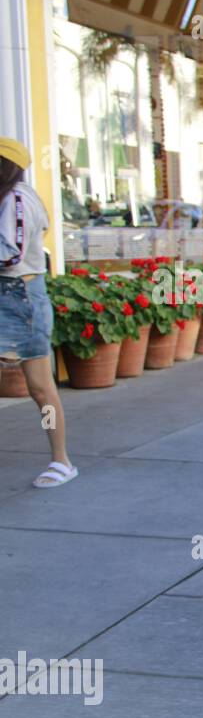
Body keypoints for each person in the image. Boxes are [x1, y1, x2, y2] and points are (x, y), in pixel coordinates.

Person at [0, 137, 76, 488]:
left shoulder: (17, 201)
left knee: (40, 388)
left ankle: (61, 460)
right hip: (13, 295)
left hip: (20, 299)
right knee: (40, 388)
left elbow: (8, 254)